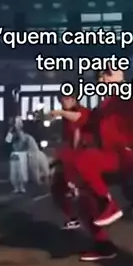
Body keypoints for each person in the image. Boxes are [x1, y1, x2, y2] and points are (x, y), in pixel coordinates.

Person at [72, 68, 133, 261]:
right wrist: (59, 113)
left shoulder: (124, 98)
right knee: (83, 202)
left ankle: (109, 203)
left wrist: (120, 81)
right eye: (101, 77)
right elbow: (85, 120)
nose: (103, 80)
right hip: (106, 158)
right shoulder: (102, 106)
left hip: (121, 156)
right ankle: (103, 245)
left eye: (107, 75)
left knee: (84, 160)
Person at [47, 94, 91, 230]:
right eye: (62, 100)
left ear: (74, 99)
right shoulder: (65, 119)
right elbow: (67, 140)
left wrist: (60, 112)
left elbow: (78, 118)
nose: (63, 102)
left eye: (67, 99)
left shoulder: (82, 112)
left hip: (85, 157)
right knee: (58, 188)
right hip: (70, 157)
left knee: (83, 189)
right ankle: (74, 217)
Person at [6, 116, 37, 193]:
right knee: (14, 172)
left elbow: (24, 140)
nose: (17, 124)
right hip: (14, 153)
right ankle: (16, 187)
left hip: (22, 154)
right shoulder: (12, 133)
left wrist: (19, 131)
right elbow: (8, 140)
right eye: (16, 122)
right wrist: (10, 131)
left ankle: (22, 187)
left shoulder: (24, 135)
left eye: (19, 122)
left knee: (22, 172)